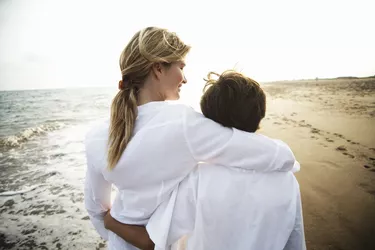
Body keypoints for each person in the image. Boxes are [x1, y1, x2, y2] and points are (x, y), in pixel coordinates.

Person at [84, 27, 299, 250]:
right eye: (181, 67)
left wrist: (114, 235)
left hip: (121, 242)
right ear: (158, 68)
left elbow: (95, 208)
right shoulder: (183, 124)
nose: (184, 79)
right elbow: (276, 156)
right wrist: (289, 160)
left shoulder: (96, 136)